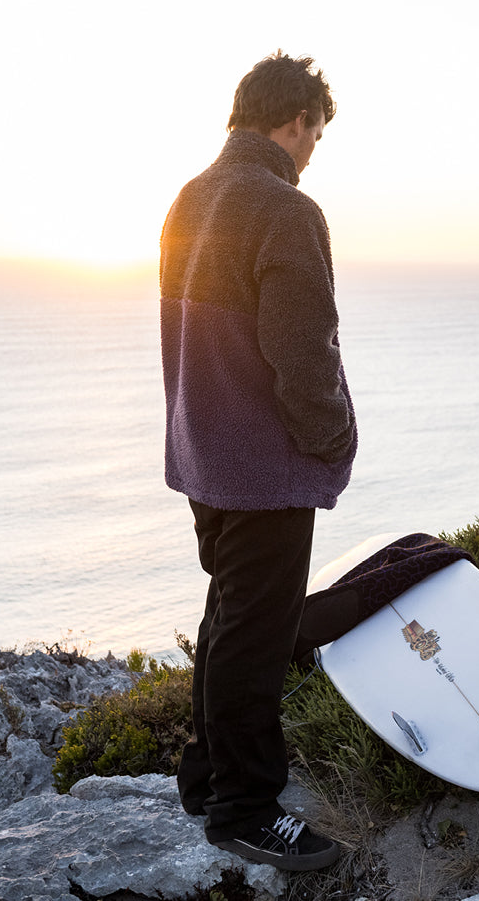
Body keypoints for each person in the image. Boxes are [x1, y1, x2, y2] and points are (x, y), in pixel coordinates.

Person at [160, 51, 357, 871]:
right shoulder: (285, 208)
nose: (314, 148)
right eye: (315, 130)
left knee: (229, 614)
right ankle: (246, 808)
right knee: (257, 629)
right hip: (263, 463)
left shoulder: (191, 198)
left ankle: (208, 777)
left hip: (204, 452)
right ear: (295, 120)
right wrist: (334, 436)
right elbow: (300, 352)